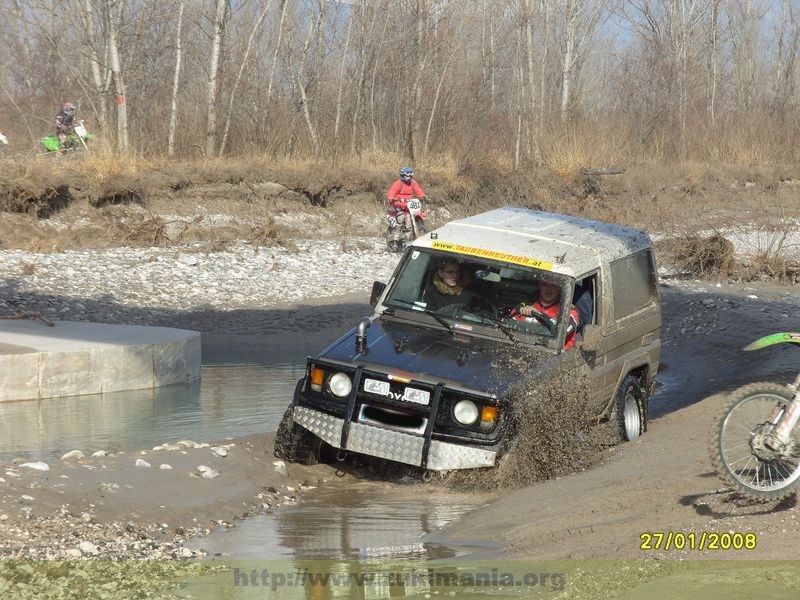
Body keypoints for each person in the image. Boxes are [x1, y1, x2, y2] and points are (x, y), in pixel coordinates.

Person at [512, 280, 580, 349]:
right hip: (521, 348)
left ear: (560, 287)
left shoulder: (569, 311)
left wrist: (539, 314)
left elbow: (562, 331)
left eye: (553, 285)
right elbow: (507, 326)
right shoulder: (524, 307)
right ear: (539, 285)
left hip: (557, 355)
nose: (548, 289)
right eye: (545, 284)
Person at [386, 166, 426, 248]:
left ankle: (410, 232)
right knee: (401, 217)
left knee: (410, 215)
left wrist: (423, 196)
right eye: (406, 175)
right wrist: (392, 198)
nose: (407, 177)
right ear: (402, 175)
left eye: (409, 175)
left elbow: (419, 191)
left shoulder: (413, 183)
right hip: (398, 203)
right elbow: (391, 194)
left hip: (409, 203)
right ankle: (395, 237)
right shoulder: (398, 183)